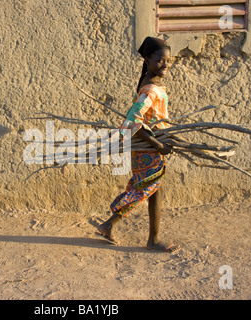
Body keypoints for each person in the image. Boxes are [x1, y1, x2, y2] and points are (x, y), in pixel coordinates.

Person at [96, 37, 180, 253]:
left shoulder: (152, 86)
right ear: (147, 60)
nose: (165, 64)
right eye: (160, 60)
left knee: (151, 189)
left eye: (168, 61)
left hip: (150, 147)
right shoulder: (150, 90)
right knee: (144, 189)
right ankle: (120, 228)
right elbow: (132, 121)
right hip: (147, 148)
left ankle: (115, 226)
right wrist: (157, 145)